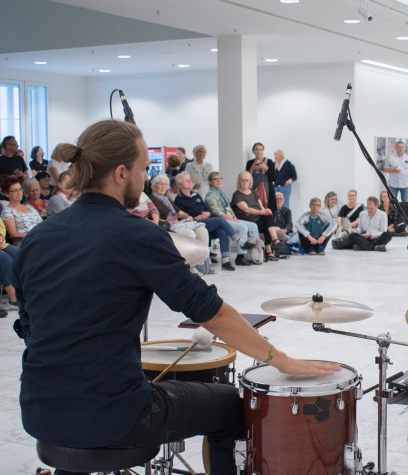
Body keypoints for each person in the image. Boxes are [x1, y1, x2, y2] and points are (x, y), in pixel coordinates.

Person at [13, 119, 339, 475]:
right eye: (142, 169)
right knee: (230, 403)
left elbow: (29, 327)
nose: (144, 178)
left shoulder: (36, 240)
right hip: (114, 418)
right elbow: (210, 312)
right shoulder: (136, 235)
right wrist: (280, 360)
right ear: (121, 173)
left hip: (40, 411)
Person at [174, 171, 237, 271]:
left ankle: (225, 261)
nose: (190, 182)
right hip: (196, 224)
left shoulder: (196, 195)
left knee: (222, 231)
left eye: (190, 180)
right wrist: (196, 218)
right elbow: (184, 218)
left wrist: (207, 213)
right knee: (220, 220)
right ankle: (237, 238)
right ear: (180, 184)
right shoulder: (179, 200)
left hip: (207, 221)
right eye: (187, 180)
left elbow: (207, 208)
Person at [205, 171, 260, 266]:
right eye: (215, 179)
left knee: (253, 226)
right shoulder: (211, 195)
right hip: (222, 221)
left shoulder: (221, 193)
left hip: (230, 218)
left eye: (220, 178)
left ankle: (255, 254)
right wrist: (231, 219)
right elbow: (216, 211)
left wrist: (234, 217)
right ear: (210, 182)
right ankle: (240, 256)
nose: (218, 181)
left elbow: (229, 208)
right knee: (242, 227)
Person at [232, 171, 283, 262]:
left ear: (250, 181)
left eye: (247, 180)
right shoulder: (237, 194)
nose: (245, 182)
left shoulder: (253, 192)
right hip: (247, 219)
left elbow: (261, 206)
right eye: (242, 180)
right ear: (239, 181)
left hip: (257, 217)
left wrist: (265, 211)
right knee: (266, 221)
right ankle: (269, 251)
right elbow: (246, 209)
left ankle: (274, 241)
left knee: (268, 218)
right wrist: (262, 212)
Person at [148, 174, 210, 249]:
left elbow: (180, 212)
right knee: (189, 233)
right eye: (161, 184)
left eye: (165, 184)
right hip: (167, 226)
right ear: (154, 186)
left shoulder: (165, 198)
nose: (163, 187)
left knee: (202, 231)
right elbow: (153, 219)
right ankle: (189, 260)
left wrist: (187, 216)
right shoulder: (151, 199)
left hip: (178, 224)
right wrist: (171, 222)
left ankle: (202, 260)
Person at [1, 176, 43, 240]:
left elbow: (42, 224)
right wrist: (33, 236)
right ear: (7, 194)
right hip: (27, 242)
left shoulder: (29, 207)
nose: (19, 193)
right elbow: (13, 234)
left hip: (41, 238)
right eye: (15, 190)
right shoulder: (8, 211)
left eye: (20, 189)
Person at [246, 142, 277, 213]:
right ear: (253, 151)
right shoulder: (250, 163)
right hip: (253, 191)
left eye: (261, 149)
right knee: (255, 211)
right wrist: (251, 169)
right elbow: (246, 179)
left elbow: (274, 178)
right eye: (257, 149)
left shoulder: (269, 162)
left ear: (263, 151)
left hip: (267, 191)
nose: (259, 151)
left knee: (268, 212)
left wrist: (266, 168)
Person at [0, 218, 20, 310]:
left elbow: (1, 226)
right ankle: (14, 299)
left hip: (1, 244)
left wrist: (0, 236)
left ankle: (28, 293)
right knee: (5, 259)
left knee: (21, 254)